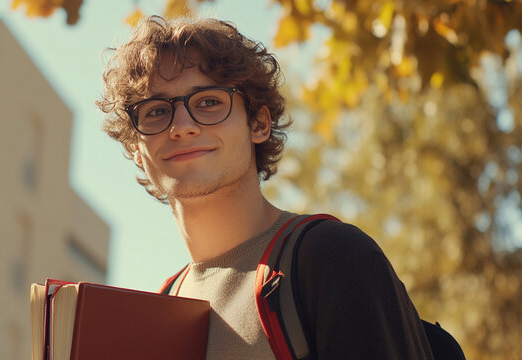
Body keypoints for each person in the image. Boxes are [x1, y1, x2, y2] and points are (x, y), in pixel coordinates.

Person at [97, 15, 434, 360]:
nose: (181, 127)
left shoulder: (332, 257)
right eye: (155, 111)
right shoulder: (153, 313)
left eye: (209, 102)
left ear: (258, 124)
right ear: (136, 150)